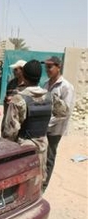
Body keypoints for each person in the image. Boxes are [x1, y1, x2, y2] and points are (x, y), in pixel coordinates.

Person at [2, 60, 67, 188]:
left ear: (24, 77)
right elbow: (64, 112)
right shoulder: (50, 97)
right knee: (36, 186)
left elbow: (9, 132)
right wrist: (46, 125)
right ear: (39, 77)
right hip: (42, 149)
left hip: (23, 150)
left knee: (20, 188)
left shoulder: (18, 99)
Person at [42, 56, 75, 191]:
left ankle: (43, 187)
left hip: (55, 129)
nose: (47, 70)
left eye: (50, 67)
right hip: (43, 127)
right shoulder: (45, 84)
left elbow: (65, 112)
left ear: (58, 67)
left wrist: (48, 123)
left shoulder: (66, 87)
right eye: (46, 67)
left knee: (49, 157)